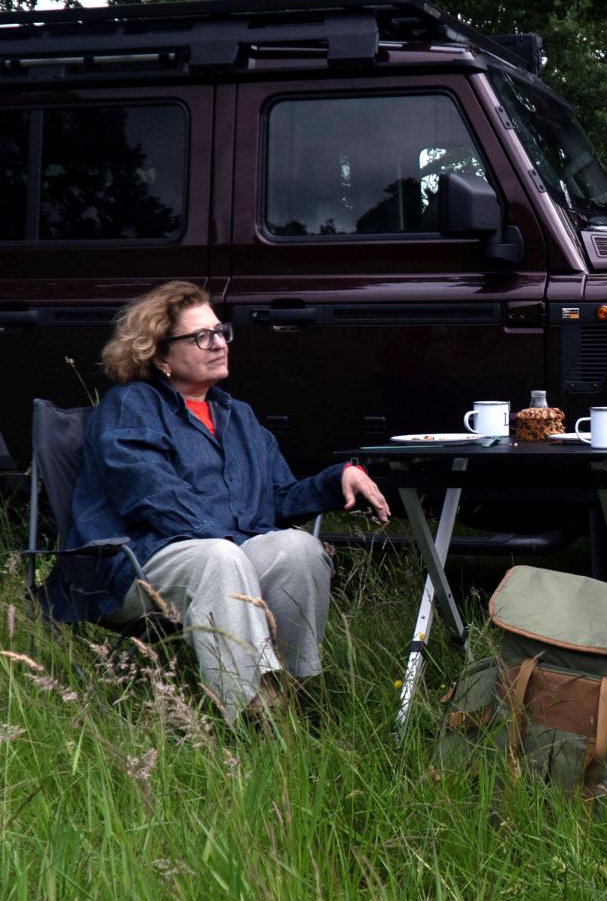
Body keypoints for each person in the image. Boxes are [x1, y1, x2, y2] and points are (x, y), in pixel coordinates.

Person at [52, 280, 390, 724]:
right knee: (220, 556)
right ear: (160, 356)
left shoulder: (237, 415)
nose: (218, 343)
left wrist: (338, 478)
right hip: (137, 561)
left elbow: (279, 499)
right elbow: (152, 497)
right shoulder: (131, 405)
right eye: (200, 336)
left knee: (298, 549)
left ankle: (292, 690)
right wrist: (235, 543)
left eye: (220, 332)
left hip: (224, 553)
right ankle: (253, 712)